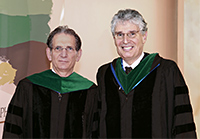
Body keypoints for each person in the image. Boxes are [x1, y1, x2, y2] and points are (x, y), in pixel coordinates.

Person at [97, 9, 197, 138]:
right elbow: (97, 125)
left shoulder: (166, 71)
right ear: (114, 38)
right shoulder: (105, 74)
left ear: (144, 36)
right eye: (119, 34)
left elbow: (182, 121)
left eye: (132, 34)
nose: (125, 41)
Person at [3, 25, 98, 138]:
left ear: (78, 55)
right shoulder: (28, 87)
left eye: (69, 48)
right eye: (58, 48)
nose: (64, 54)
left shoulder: (90, 91)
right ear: (49, 53)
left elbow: (96, 133)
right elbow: (13, 131)